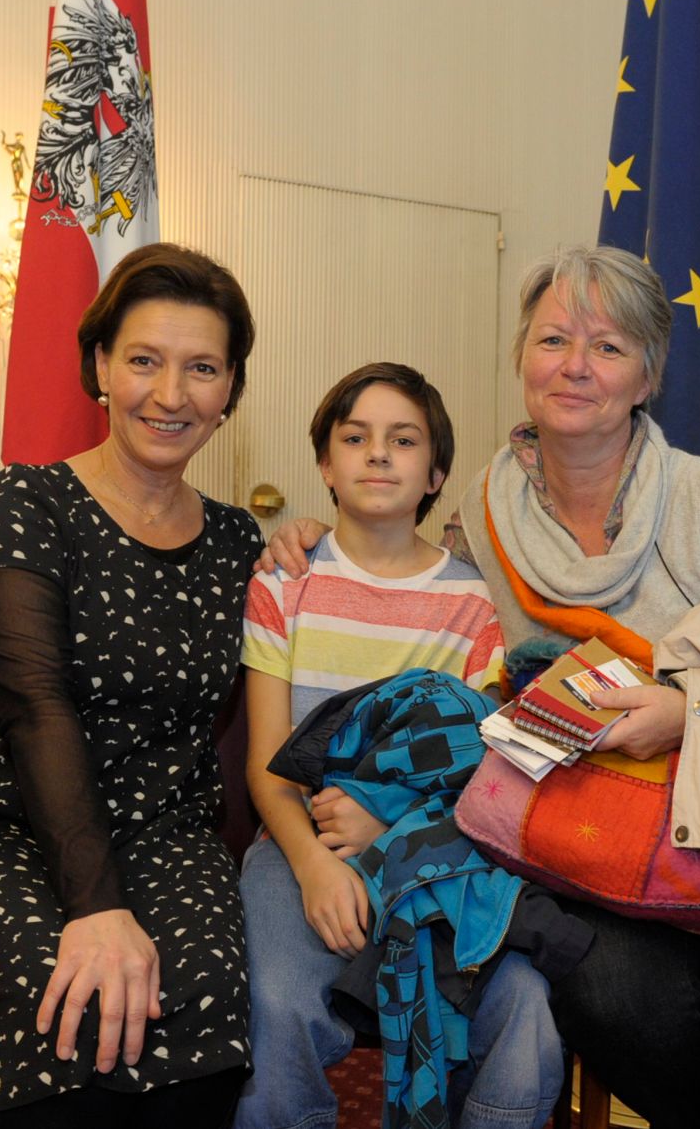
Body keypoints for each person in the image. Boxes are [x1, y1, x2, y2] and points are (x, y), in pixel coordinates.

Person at [264, 246, 700, 1128]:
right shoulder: (479, 514)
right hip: (581, 842)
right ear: (522, 360)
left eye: (610, 346)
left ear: (650, 376)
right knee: (625, 1006)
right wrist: (319, 538)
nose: (576, 366)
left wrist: (690, 712)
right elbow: (415, 597)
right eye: (554, 339)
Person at [0, 244, 262, 1128]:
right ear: (99, 367)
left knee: (202, 1008)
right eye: (144, 361)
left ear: (231, 389)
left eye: (202, 368)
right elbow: (35, 707)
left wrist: (324, 535)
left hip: (160, 830)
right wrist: (96, 909)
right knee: (64, 1005)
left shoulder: (245, 546)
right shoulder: (27, 503)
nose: (171, 394)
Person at [234, 363, 571, 1129]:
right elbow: (266, 763)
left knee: (526, 1008)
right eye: (356, 438)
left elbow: (480, 767)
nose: (378, 454)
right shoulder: (285, 585)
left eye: (403, 440)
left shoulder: (472, 603)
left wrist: (388, 829)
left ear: (435, 473)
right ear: (326, 463)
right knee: (274, 1006)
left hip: (436, 854)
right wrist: (318, 864)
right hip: (297, 848)